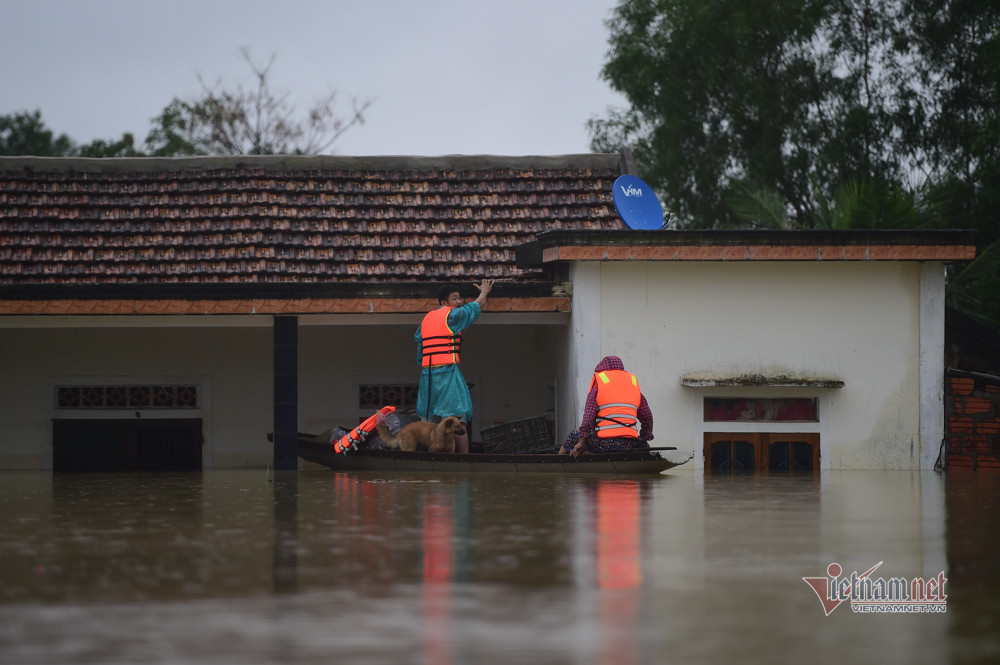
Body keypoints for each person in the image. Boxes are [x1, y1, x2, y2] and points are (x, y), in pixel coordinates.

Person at [415, 279, 494, 453]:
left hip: (427, 376)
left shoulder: (426, 319)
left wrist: (481, 300)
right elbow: (470, 310)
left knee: (429, 422)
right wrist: (484, 292)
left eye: (460, 298)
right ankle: (464, 460)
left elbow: (420, 349)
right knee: (459, 420)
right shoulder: (451, 316)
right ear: (444, 302)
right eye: (455, 298)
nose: (459, 302)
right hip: (447, 374)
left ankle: (430, 461)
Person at [558, 355, 654, 457]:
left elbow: (588, 418)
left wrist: (581, 442)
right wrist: (644, 438)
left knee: (573, 436)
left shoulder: (599, 385)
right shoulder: (632, 385)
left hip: (605, 443)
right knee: (591, 441)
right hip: (629, 444)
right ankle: (589, 453)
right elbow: (647, 416)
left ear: (602, 367)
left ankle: (558, 462)